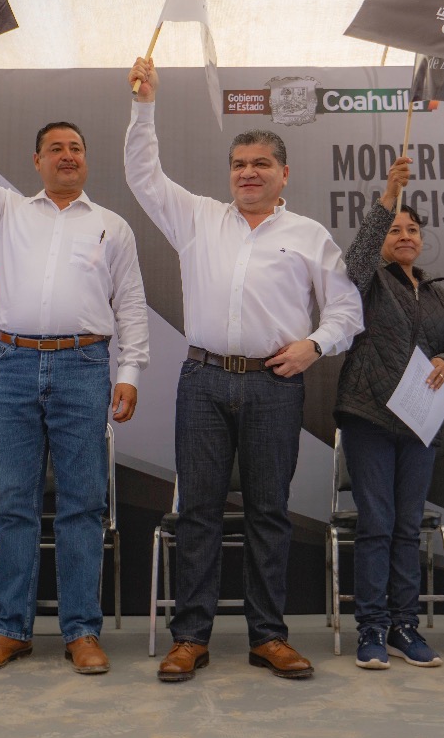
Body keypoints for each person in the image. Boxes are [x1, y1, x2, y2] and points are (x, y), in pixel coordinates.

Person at [126, 58, 363, 682]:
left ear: (284, 173)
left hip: (274, 385)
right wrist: (144, 105)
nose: (248, 173)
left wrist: (314, 346)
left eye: (260, 164)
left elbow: (346, 309)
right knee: (198, 511)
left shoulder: (309, 234)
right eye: (239, 164)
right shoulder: (197, 218)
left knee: (268, 512)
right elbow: (142, 174)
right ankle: (190, 638)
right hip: (202, 382)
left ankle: (268, 637)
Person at [0, 44, 149, 677]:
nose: (67, 155)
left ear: (86, 160)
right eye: (55, 148)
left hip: (84, 368)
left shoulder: (112, 226)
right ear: (36, 161)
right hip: (11, 365)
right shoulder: (7, 209)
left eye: (76, 148)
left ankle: (81, 631)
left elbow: (131, 305)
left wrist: (130, 372)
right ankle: (10, 629)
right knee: (13, 502)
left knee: (83, 503)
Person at [334, 161, 444, 670]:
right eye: (395, 230)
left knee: (408, 527)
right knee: (377, 524)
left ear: (422, 240)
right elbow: (357, 258)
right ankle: (371, 628)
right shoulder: (367, 281)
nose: (405, 236)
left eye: (412, 229)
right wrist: (388, 197)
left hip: (420, 423)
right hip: (369, 417)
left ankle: (404, 627)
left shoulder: (437, 295)